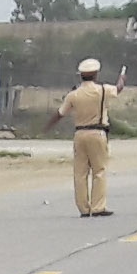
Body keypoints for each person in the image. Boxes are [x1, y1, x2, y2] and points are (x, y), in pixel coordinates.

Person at [53, 58, 116, 217]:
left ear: (81, 75)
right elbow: (118, 89)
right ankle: (98, 207)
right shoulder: (102, 90)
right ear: (95, 74)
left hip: (79, 134)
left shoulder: (73, 95)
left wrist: (47, 126)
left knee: (80, 173)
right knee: (99, 171)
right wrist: (122, 80)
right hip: (97, 133)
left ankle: (83, 208)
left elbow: (60, 114)